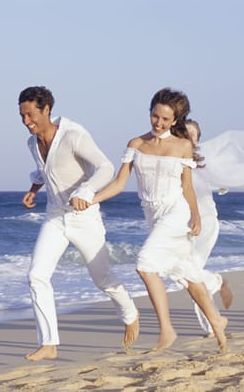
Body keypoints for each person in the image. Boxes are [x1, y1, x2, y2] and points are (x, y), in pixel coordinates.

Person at [91, 88, 228, 352]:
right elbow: (120, 183)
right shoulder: (136, 144)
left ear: (175, 120)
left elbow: (187, 186)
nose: (158, 123)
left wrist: (196, 216)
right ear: (150, 112)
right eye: (155, 116)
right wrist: (93, 199)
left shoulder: (183, 145)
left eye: (165, 120)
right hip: (153, 216)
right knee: (186, 273)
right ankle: (217, 324)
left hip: (176, 213)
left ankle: (167, 330)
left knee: (144, 264)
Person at [18, 86, 139, 361]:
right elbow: (44, 170)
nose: (26, 122)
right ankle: (49, 343)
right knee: (36, 276)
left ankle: (130, 313)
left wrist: (86, 193)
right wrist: (34, 189)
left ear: (46, 109)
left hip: (84, 217)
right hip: (54, 216)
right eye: (22, 116)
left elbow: (105, 167)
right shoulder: (32, 142)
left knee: (103, 279)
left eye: (30, 115)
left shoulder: (74, 136)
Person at [185, 119, 244, 336]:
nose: (189, 137)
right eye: (185, 132)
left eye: (193, 134)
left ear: (198, 138)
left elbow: (224, 180)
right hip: (181, 225)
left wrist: (222, 180)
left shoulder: (203, 160)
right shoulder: (175, 160)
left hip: (205, 222)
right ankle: (218, 283)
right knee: (187, 274)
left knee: (192, 274)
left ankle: (211, 326)